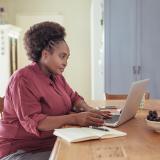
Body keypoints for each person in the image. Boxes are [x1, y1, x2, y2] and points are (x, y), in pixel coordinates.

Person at [0, 21, 111, 160]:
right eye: (62, 56)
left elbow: (74, 98)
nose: (66, 63)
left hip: (53, 143)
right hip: (21, 152)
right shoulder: (22, 80)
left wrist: (87, 109)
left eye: (67, 57)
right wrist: (75, 118)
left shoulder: (57, 77)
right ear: (45, 54)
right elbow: (36, 122)